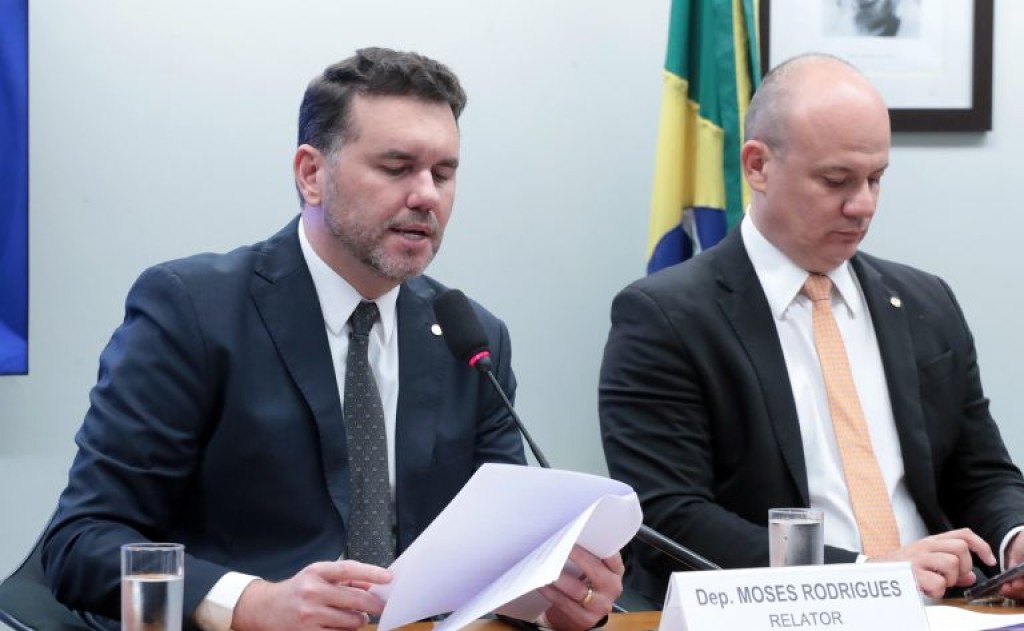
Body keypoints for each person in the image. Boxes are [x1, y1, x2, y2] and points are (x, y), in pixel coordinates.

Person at [41, 47, 623, 631]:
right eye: (396, 167)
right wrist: (250, 604)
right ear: (311, 174)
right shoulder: (194, 310)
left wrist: (556, 600)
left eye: (443, 174)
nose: (426, 195)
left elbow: (499, 556)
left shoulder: (469, 337)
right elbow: (83, 543)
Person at [599, 53, 1024, 607]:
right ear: (757, 166)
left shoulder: (926, 302)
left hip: (942, 612)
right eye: (836, 180)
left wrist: (1014, 537)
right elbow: (670, 520)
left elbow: (981, 474)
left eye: (876, 178)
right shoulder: (666, 317)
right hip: (776, 613)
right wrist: (865, 575)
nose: (863, 205)